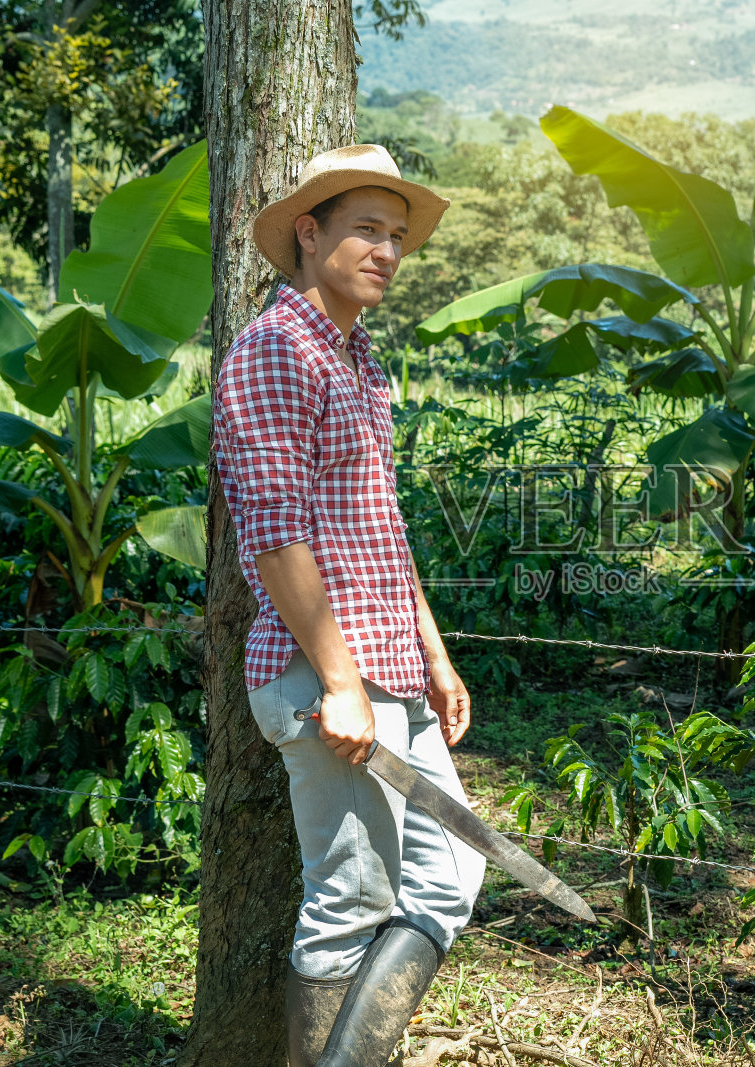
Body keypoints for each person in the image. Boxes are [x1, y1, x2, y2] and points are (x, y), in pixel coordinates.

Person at [211, 143, 485, 1066]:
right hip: (325, 677)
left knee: (452, 870)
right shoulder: (274, 352)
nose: (387, 250)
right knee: (351, 898)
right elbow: (277, 533)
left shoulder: (363, 364)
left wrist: (436, 658)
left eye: (397, 235)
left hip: (393, 672)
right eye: (366, 228)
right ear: (309, 231)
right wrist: (340, 681)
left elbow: (384, 529)